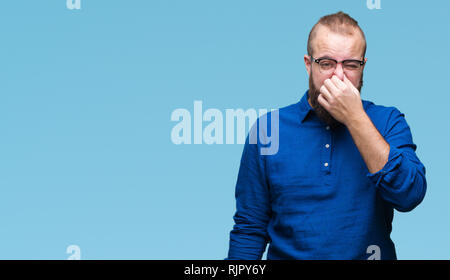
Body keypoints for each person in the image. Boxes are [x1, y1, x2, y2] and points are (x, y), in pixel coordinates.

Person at [226, 11, 427, 260]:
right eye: (327, 63)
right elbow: (250, 229)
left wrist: (355, 118)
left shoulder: (388, 121)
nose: (339, 76)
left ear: (363, 66)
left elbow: (410, 195)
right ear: (308, 64)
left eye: (351, 64)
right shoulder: (268, 130)